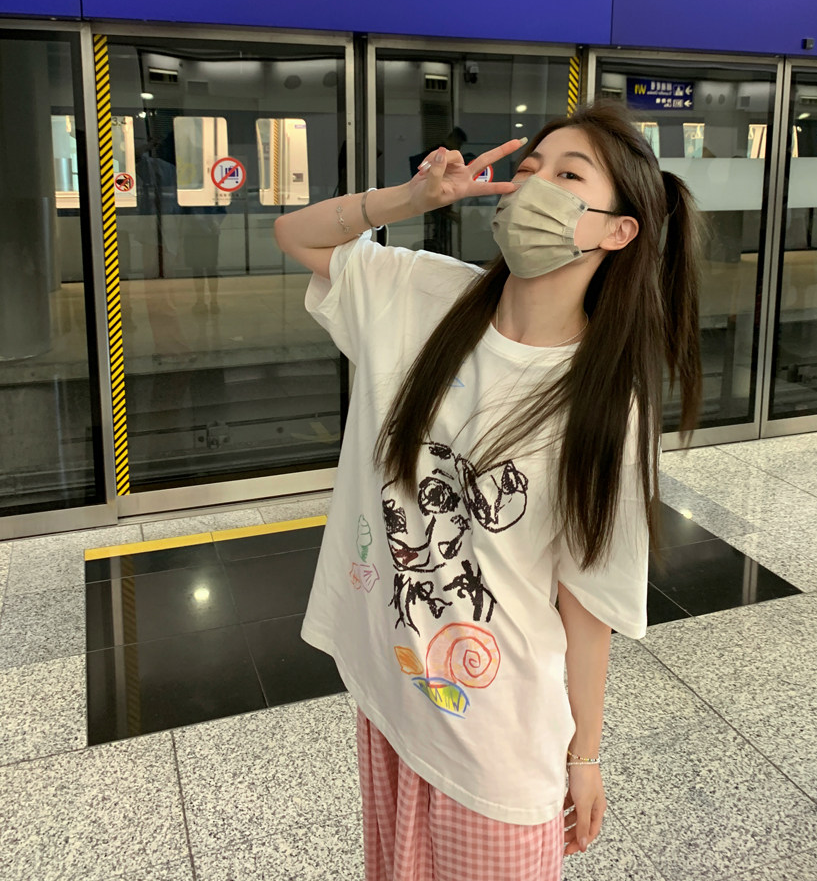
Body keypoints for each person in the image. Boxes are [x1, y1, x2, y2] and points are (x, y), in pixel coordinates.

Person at [273, 101, 702, 881]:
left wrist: (585, 756)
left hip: (499, 745)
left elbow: (587, 599)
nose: (534, 182)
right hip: (394, 696)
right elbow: (296, 234)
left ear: (618, 231)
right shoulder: (422, 295)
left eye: (568, 174)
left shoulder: (604, 398)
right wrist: (407, 201)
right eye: (529, 167)